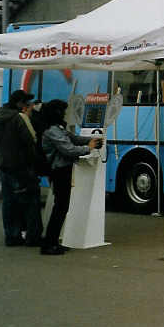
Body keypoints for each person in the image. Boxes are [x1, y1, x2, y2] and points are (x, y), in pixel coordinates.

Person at [40, 99, 102, 255]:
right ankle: (49, 244)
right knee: (60, 207)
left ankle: (52, 242)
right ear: (57, 113)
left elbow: (73, 138)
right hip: (59, 171)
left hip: (62, 170)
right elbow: (68, 149)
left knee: (61, 207)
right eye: (63, 111)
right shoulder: (53, 130)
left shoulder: (57, 128)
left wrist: (89, 140)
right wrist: (88, 147)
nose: (66, 114)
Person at [0, 89, 42, 246]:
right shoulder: (20, 118)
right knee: (30, 201)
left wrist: (4, 151)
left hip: (4, 164)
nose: (29, 105)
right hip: (20, 165)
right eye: (27, 102)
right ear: (19, 104)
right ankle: (33, 237)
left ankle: (12, 236)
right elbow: (30, 142)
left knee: (9, 202)